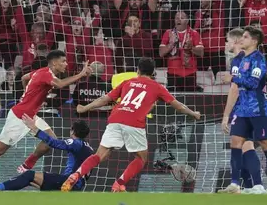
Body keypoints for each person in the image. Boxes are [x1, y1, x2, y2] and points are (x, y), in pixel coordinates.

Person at [61, 57, 201, 192]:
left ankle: (75, 175)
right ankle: (119, 184)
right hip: (134, 122)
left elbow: (104, 99)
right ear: (153, 73)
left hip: (115, 119)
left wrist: (85, 108)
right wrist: (193, 113)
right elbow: (178, 106)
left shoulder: (128, 82)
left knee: (99, 156)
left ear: (138, 70)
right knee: (141, 158)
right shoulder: (158, 87)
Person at [0, 50, 91, 173]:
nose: (66, 64)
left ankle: (28, 164)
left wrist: (26, 94)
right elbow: (60, 84)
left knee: (51, 140)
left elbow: (24, 78)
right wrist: (81, 74)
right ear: (54, 63)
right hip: (20, 116)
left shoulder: (41, 72)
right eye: (63, 61)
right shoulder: (45, 74)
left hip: (31, 116)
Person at [220, 26, 267, 194]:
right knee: (235, 142)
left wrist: (233, 77)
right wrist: (226, 115)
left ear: (254, 41)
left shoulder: (259, 59)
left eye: (245, 37)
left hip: (257, 108)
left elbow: (253, 83)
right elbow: (235, 88)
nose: (241, 40)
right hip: (241, 109)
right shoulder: (236, 61)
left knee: (265, 143)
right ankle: (234, 184)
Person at [0, 118, 93, 192]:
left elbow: (54, 142)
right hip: (76, 186)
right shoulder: (89, 149)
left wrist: (35, 128)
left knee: (29, 175)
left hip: (68, 183)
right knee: (30, 179)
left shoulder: (75, 143)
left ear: (72, 131)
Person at [221, 29, 263, 194]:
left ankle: (255, 185)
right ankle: (247, 186)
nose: (226, 44)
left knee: (244, 145)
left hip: (246, 107)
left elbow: (235, 89)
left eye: (227, 41)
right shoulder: (249, 59)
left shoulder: (239, 61)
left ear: (236, 42)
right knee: (242, 145)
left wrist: (226, 115)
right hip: (253, 106)